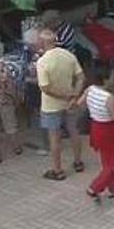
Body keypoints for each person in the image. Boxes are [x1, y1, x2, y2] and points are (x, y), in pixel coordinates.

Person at [36, 29, 85, 181]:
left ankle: (58, 170)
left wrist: (63, 96)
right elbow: (81, 76)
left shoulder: (42, 62)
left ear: (42, 43)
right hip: (70, 104)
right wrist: (74, 95)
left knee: (54, 138)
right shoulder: (68, 55)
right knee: (74, 131)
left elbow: (45, 88)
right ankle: (78, 162)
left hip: (51, 106)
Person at [78, 64, 114, 200]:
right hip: (110, 129)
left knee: (106, 158)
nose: (113, 78)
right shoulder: (108, 97)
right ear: (105, 80)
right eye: (111, 76)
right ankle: (95, 186)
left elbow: (80, 103)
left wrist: (94, 111)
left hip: (96, 127)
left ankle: (113, 188)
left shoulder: (90, 90)